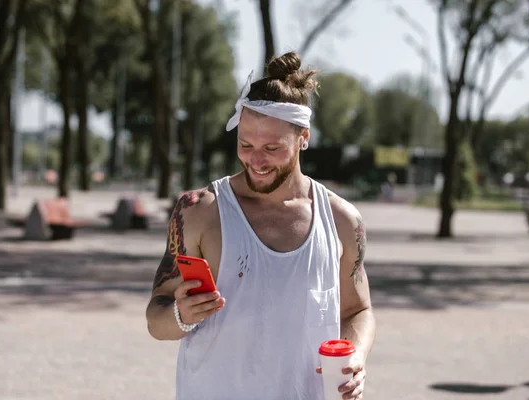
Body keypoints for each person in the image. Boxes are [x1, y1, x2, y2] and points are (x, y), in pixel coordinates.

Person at [146, 51, 376, 400]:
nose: (256, 160)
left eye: (272, 147)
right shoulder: (199, 212)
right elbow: (156, 318)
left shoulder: (342, 220)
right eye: (245, 144)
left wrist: (355, 354)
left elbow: (358, 309)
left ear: (303, 138)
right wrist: (180, 314)